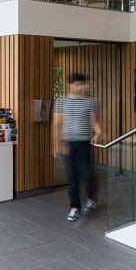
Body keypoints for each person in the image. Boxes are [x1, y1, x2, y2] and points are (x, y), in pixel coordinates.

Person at [52, 73, 103, 222]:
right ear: (70, 85)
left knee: (87, 173)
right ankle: (75, 207)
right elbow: (56, 125)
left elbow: (95, 122)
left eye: (83, 84)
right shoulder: (61, 101)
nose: (81, 87)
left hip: (84, 142)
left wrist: (99, 133)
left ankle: (92, 196)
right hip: (67, 142)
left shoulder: (90, 101)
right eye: (77, 84)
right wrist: (58, 145)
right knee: (72, 177)